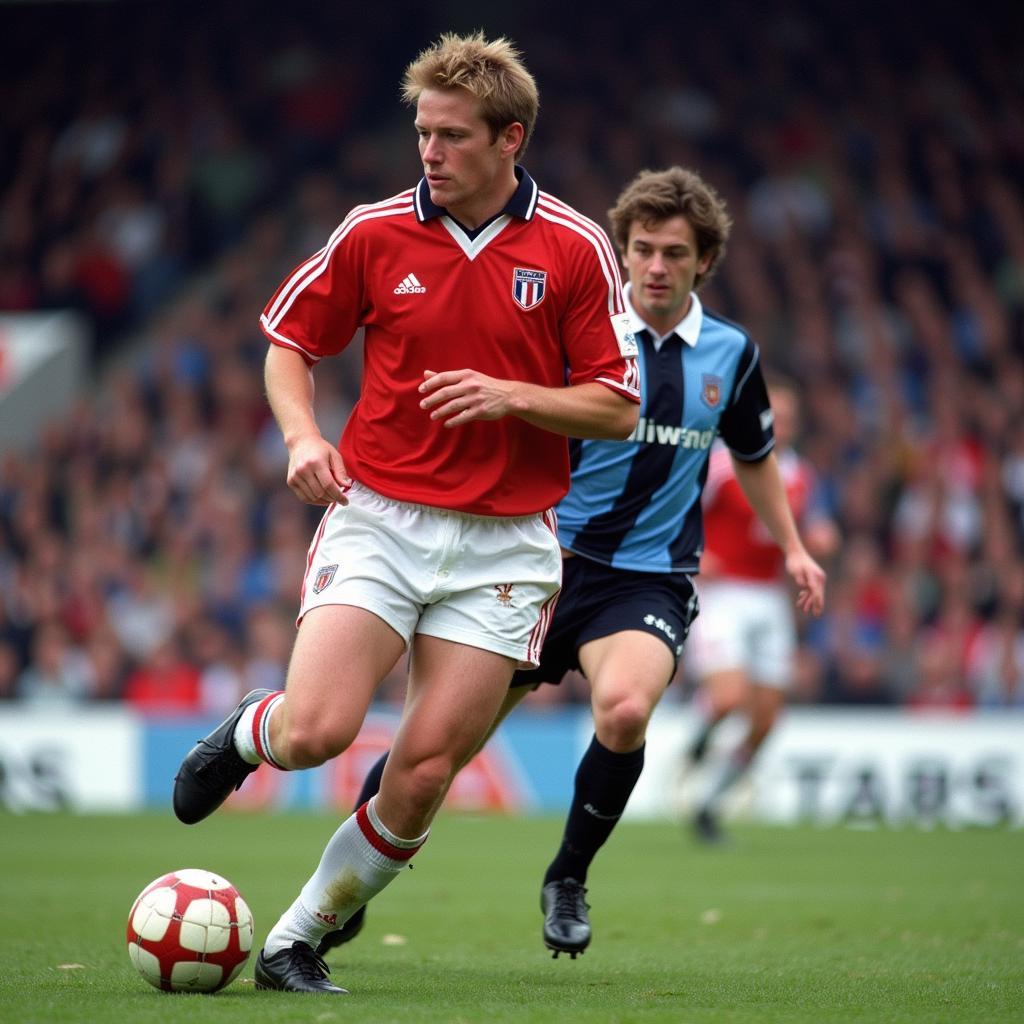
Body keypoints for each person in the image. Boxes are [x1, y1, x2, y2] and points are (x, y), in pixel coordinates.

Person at [171, 32, 640, 996]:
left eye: (452, 135)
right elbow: (288, 343)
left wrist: (514, 396)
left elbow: (616, 404)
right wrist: (303, 438)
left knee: (423, 773)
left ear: (511, 139)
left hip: (507, 544)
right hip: (381, 517)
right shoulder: (374, 231)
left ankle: (296, 940)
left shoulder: (576, 247)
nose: (428, 151)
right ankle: (249, 733)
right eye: (422, 131)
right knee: (317, 735)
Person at [325, 166, 828, 961]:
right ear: (621, 254)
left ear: (704, 261)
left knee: (626, 710)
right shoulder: (576, 329)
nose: (656, 266)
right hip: (536, 560)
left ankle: (568, 876)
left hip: (647, 577)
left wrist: (794, 546)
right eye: (642, 250)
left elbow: (756, 455)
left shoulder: (732, 354)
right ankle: (342, 890)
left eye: (674, 252)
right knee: (438, 748)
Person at [684, 379, 839, 843]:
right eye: (774, 415)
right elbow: (679, 507)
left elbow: (818, 527)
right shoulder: (720, 463)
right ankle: (704, 729)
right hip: (722, 593)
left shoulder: (801, 475)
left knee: (766, 719)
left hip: (768, 599)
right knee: (731, 698)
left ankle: (710, 804)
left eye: (789, 418)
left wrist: (823, 541)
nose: (781, 425)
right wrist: (696, 551)